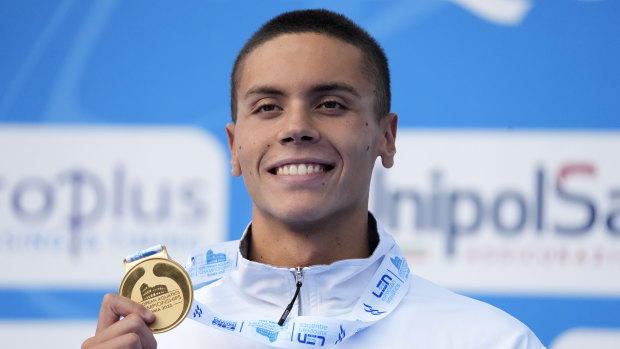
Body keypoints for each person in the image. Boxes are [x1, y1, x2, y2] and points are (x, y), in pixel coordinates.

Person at [82, 9, 545, 349]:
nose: (295, 127)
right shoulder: (151, 336)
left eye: (331, 105)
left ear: (386, 137)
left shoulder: (490, 340)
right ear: (234, 146)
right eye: (267, 108)